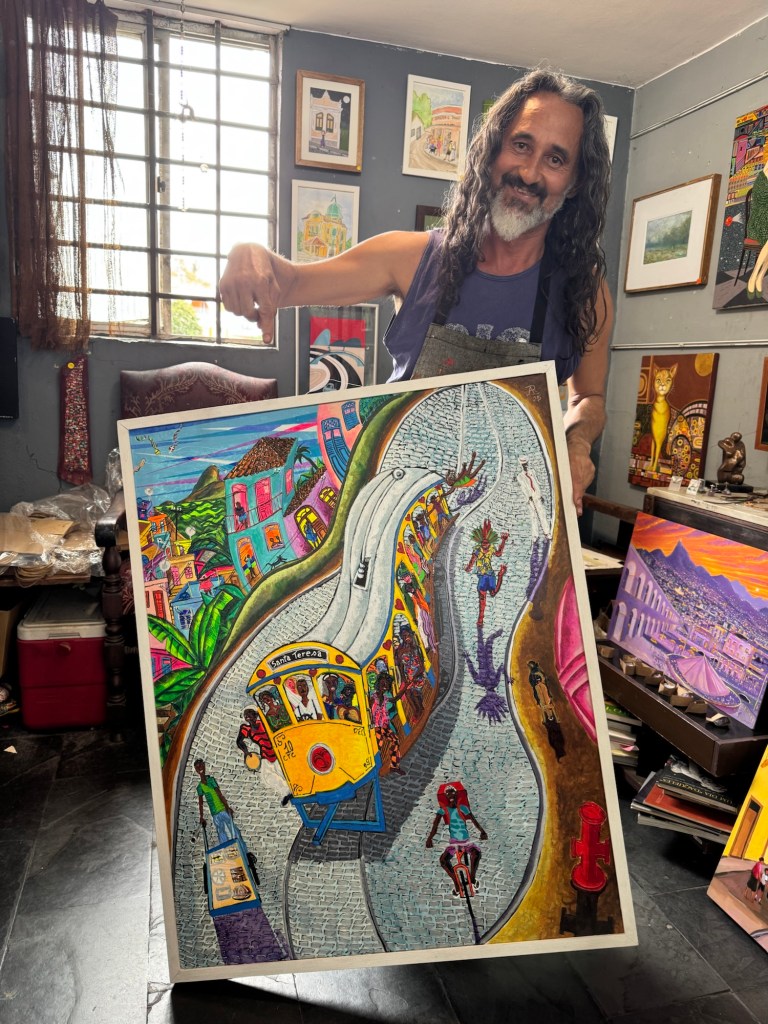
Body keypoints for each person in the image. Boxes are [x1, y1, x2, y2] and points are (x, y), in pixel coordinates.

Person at [219, 68, 613, 515]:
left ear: (575, 183)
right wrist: (247, 251)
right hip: (397, 498)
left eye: (555, 159)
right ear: (492, 150)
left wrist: (577, 440)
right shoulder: (410, 258)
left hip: (506, 511)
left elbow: (589, 399)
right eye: (521, 145)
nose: (529, 172)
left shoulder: (585, 292)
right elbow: (290, 281)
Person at [426, 782, 488, 895]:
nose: (450, 796)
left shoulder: (463, 808)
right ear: (446, 796)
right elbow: (435, 826)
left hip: (466, 842)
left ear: (456, 795)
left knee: (476, 854)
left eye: (452, 793)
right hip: (454, 843)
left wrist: (482, 832)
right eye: (448, 794)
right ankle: (457, 885)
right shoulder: (443, 810)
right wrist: (430, 839)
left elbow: (473, 820)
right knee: (443, 861)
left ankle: (472, 879)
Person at [194, 757, 237, 844]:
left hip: (222, 809)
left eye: (201, 765)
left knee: (233, 829)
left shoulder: (211, 780)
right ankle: (225, 848)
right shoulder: (199, 787)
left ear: (204, 766)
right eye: (197, 767)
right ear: (196, 770)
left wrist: (227, 807)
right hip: (214, 813)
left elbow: (219, 794)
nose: (200, 768)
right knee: (221, 832)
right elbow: (201, 803)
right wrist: (201, 817)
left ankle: (239, 846)